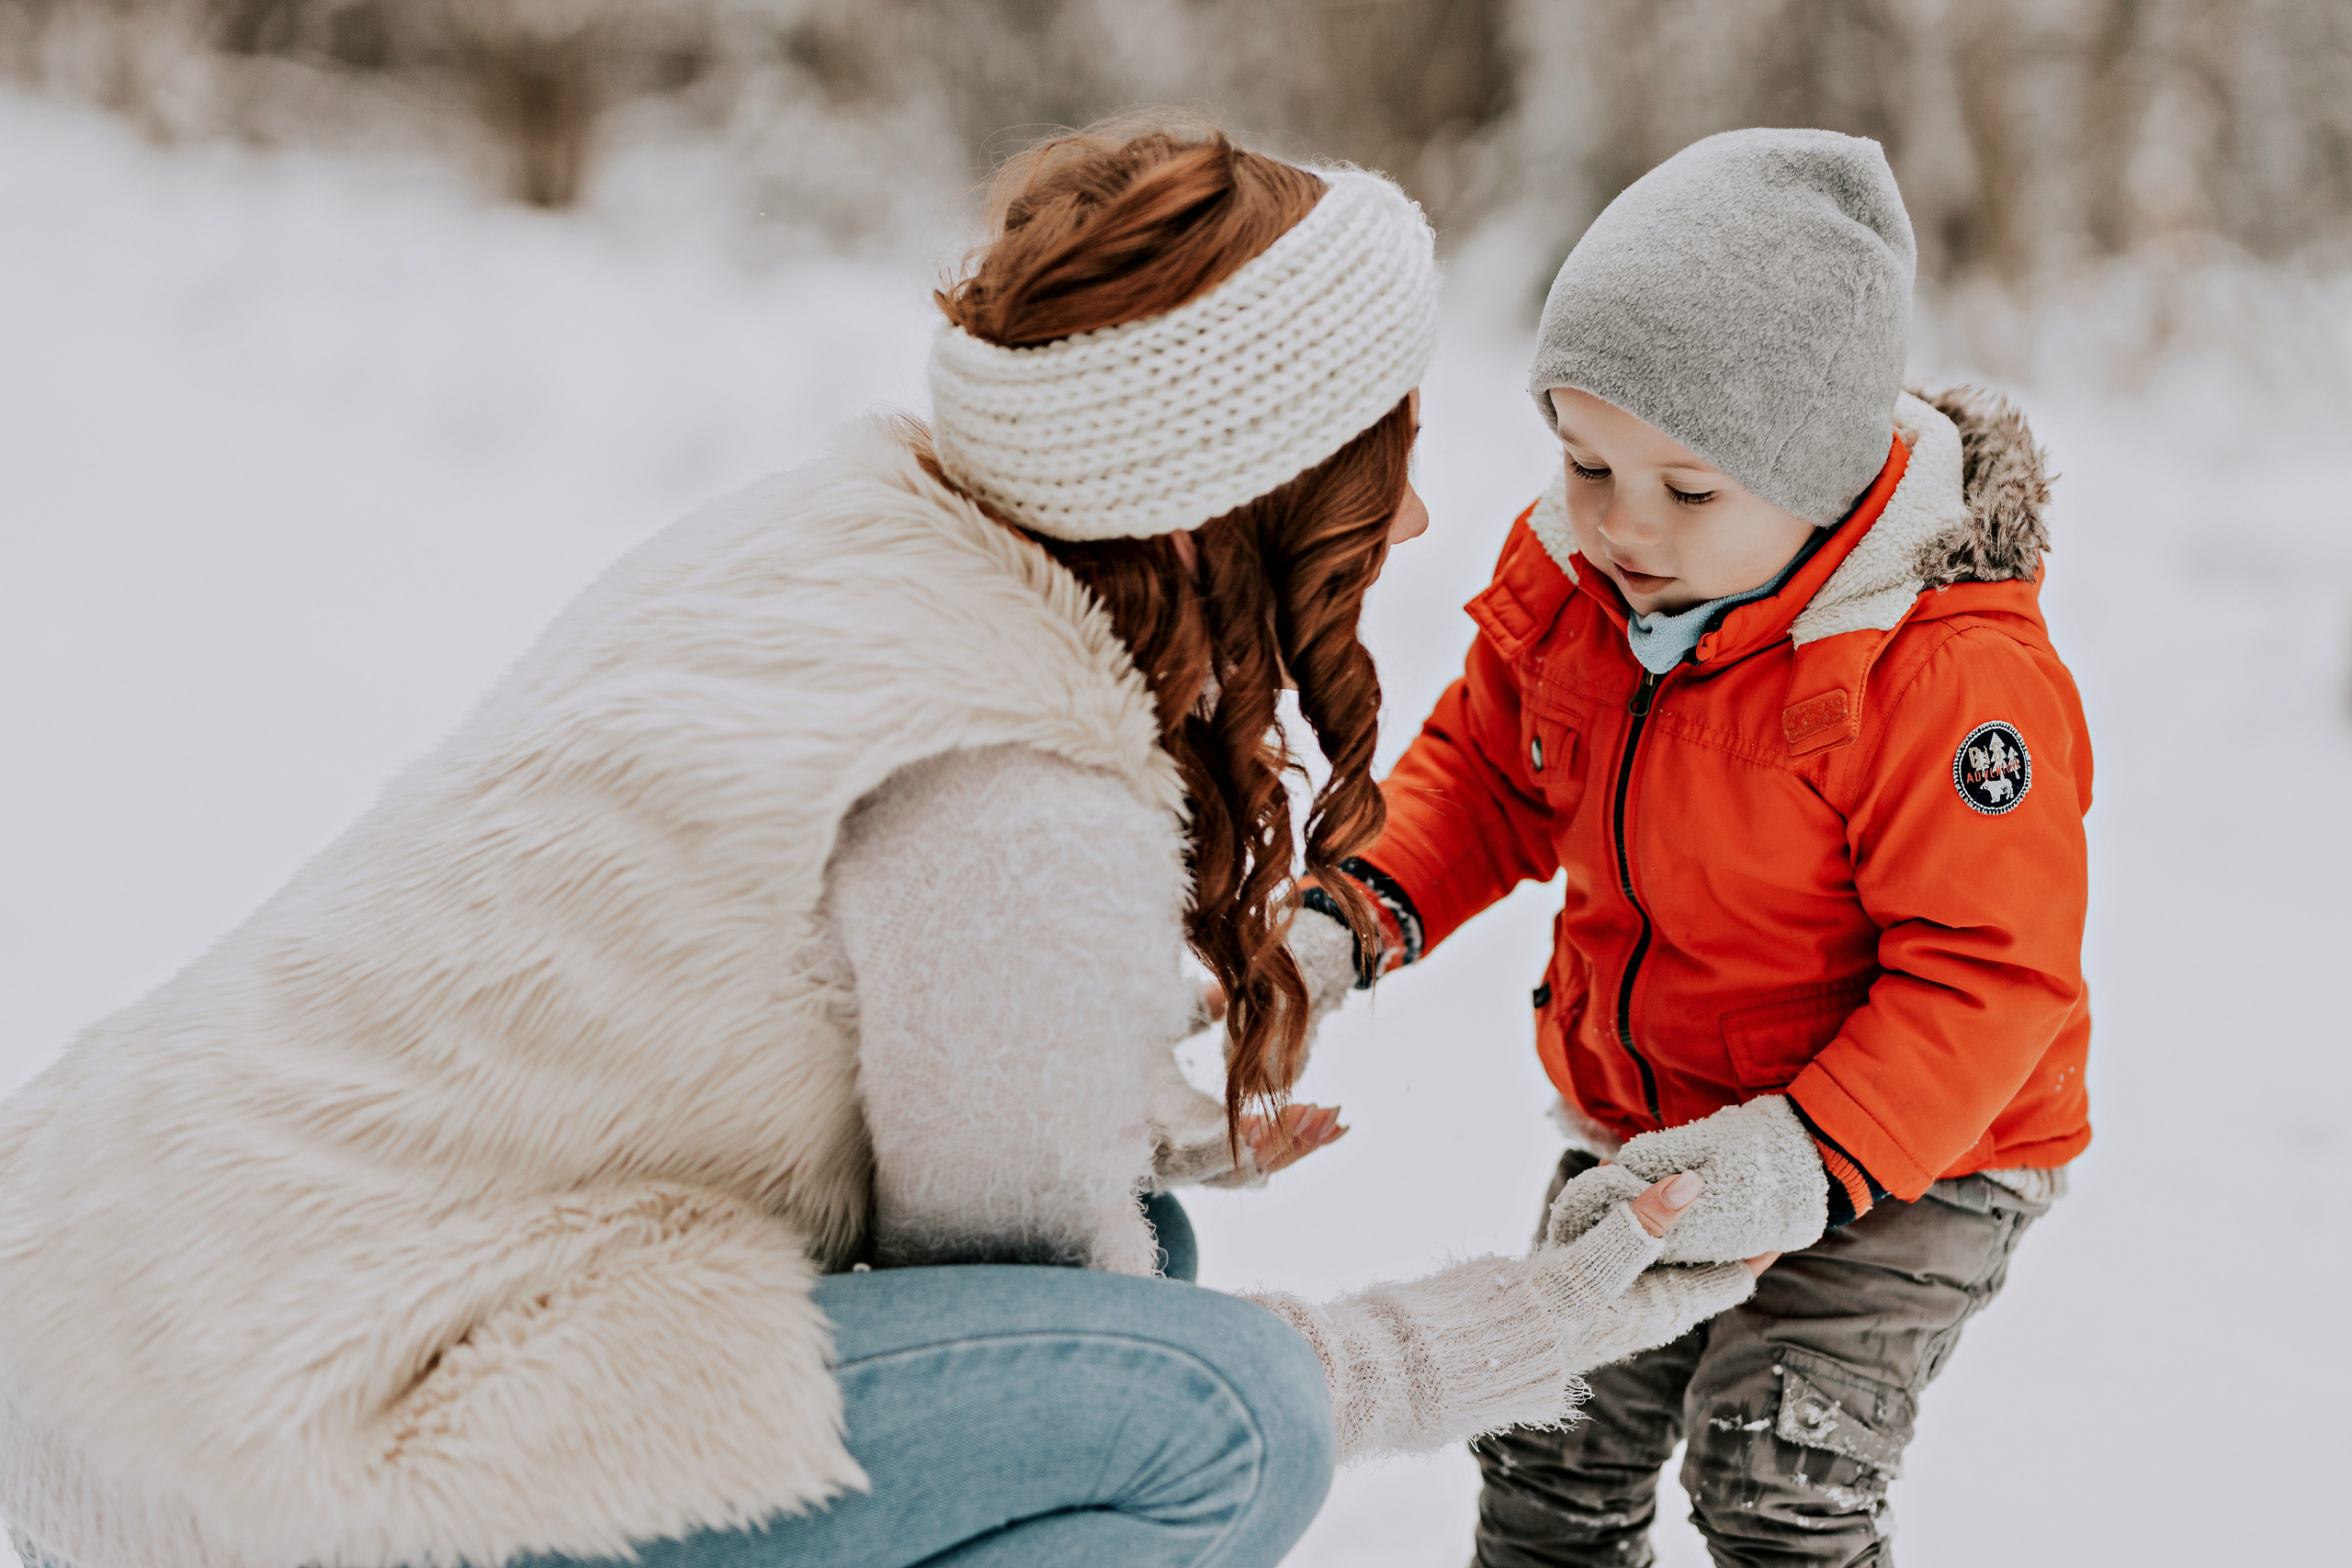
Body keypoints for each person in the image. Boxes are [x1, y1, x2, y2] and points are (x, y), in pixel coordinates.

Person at [0, 118, 1766, 1568]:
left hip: (112, 1302)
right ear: (1254, 485)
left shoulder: (830, 538)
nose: (1420, 508)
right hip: (274, 1467)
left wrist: (1114, 1102)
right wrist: (1521, 1324)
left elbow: (726, 1001)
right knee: (1222, 1411)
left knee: (1144, 1248)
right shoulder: (1019, 787)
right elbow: (1097, 1365)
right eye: (1382, 449)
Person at [1287, 129, 2093, 1565]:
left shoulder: (1945, 675)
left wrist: (1799, 1157)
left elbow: (1990, 980)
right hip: (1654, 1129)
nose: (1620, 522)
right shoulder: (1576, 580)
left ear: (1826, 478)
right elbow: (1485, 778)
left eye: (1690, 488)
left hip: (1914, 1154)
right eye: (1586, 459)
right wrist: (1348, 916)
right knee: (1544, 1443)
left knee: (1775, 1471)